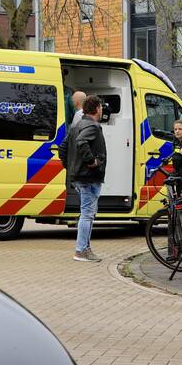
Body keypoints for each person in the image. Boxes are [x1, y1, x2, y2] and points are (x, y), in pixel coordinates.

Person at [58, 95, 106, 262]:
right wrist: (91, 161)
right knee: (87, 214)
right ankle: (81, 251)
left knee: (87, 213)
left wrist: (70, 166)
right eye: (101, 107)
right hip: (89, 177)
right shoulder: (92, 126)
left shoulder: (76, 125)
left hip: (79, 176)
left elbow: (62, 148)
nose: (102, 110)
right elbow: (81, 142)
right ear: (97, 109)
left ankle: (85, 248)